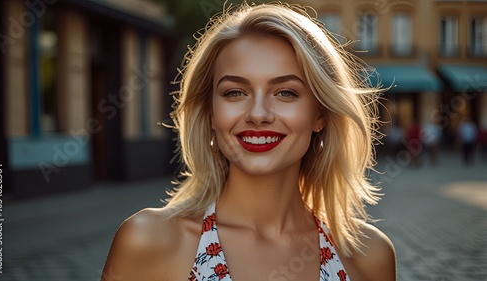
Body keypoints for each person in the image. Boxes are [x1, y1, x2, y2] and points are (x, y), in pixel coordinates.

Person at [101, 3, 396, 281]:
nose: (257, 114)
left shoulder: (369, 256)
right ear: (211, 114)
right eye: (234, 93)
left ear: (319, 114)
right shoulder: (148, 241)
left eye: (285, 93)